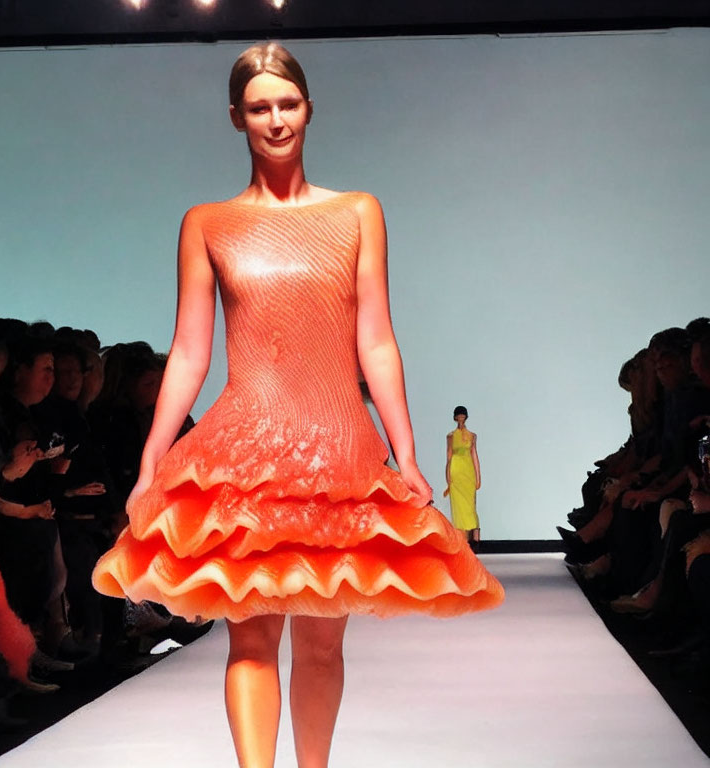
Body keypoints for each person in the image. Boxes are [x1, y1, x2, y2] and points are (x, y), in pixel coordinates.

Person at [93, 42, 503, 768]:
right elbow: (190, 349)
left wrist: (404, 452)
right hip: (242, 447)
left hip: (338, 445)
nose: (275, 120)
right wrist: (154, 453)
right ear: (235, 118)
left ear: (309, 109)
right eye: (259, 108)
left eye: (287, 104)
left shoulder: (357, 212)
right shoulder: (207, 224)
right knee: (249, 636)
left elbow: (375, 336)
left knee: (321, 641)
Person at [444, 405, 482, 549]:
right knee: (458, 507)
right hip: (456, 470)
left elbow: (474, 455)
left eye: (462, 415)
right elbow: (448, 456)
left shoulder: (472, 436)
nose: (460, 417)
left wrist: (478, 477)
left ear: (465, 417)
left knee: (470, 506)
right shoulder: (451, 436)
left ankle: (476, 542)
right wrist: (448, 477)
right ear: (455, 417)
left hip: (468, 472)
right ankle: (462, 543)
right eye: (458, 415)